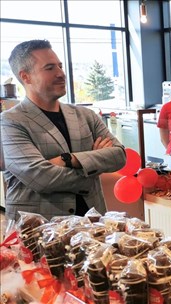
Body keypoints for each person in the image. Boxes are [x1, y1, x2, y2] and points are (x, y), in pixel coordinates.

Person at [1, 39, 126, 220]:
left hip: (93, 226)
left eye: (60, 66)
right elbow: (41, 177)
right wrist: (95, 166)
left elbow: (119, 156)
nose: (61, 73)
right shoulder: (10, 121)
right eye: (50, 68)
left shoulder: (85, 115)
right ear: (25, 76)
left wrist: (70, 159)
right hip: (39, 231)